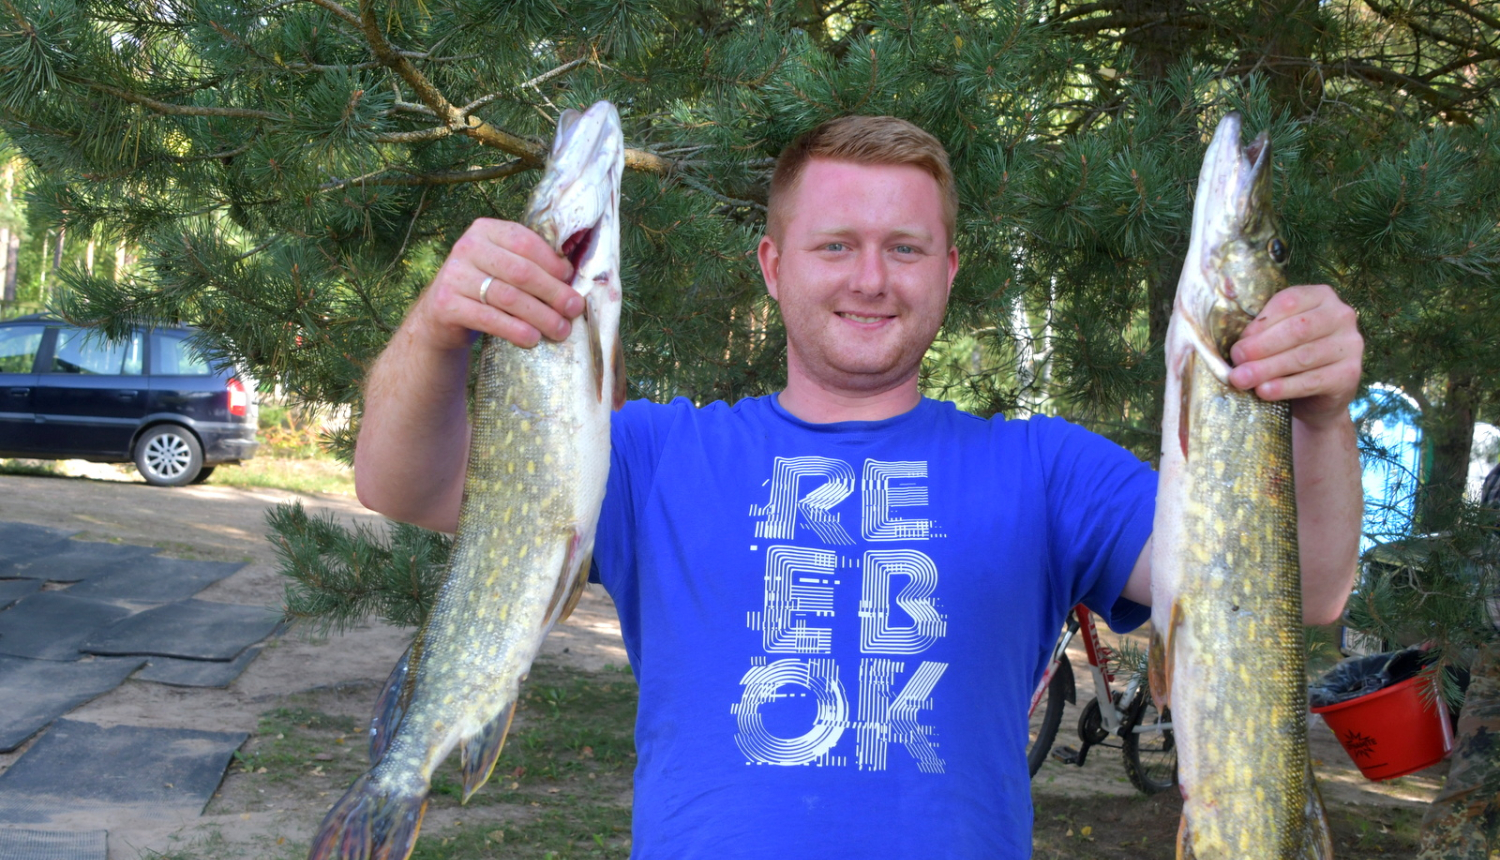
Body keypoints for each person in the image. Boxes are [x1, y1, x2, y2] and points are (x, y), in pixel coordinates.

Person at [354, 116, 1365, 858]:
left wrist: (1315, 415)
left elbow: (1306, 589)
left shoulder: (1049, 471)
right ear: (773, 265)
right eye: (836, 245)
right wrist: (441, 322)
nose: (870, 278)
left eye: (905, 247)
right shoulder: (651, 454)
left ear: (951, 269)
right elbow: (404, 481)